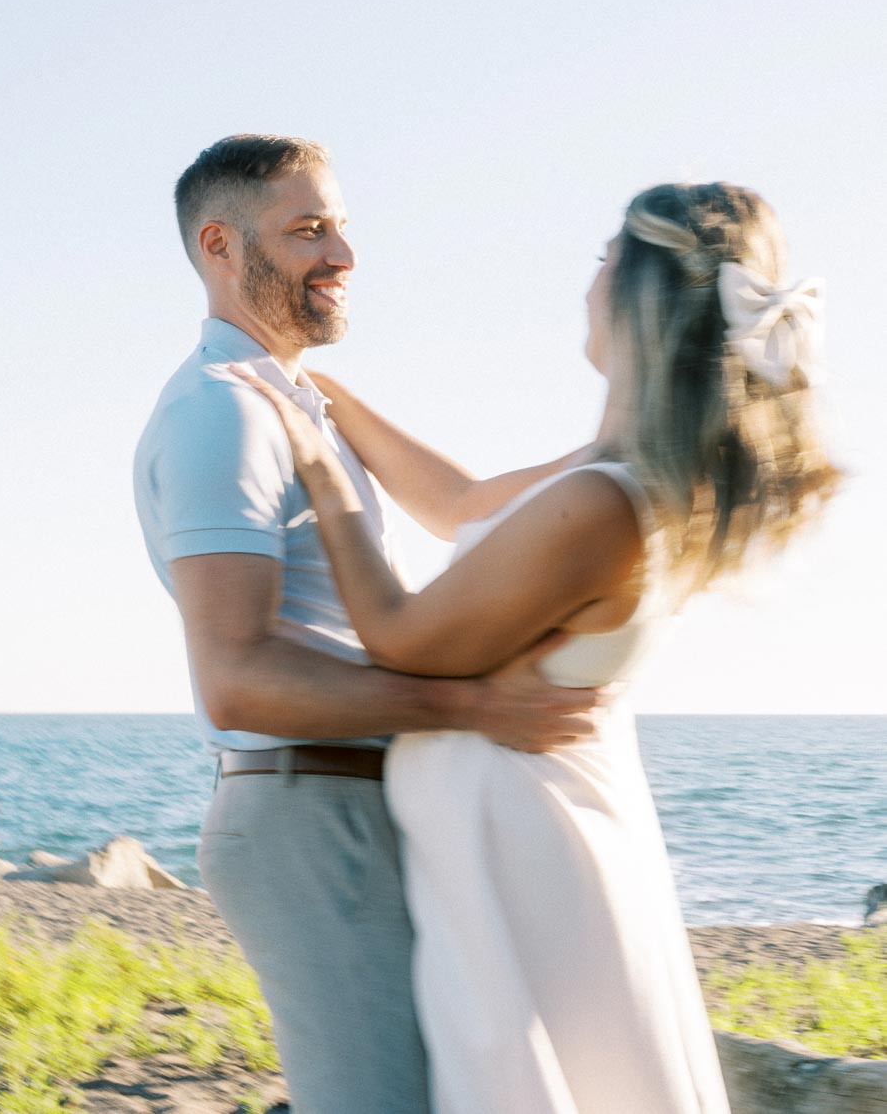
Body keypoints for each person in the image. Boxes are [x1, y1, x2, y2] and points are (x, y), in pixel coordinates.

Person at [233, 181, 841, 1114]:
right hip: (520, 838)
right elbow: (462, 505)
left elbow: (402, 640)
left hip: (523, 857)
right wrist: (321, 396)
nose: (588, 281)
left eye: (605, 260)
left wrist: (322, 476)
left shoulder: (604, 506)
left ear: (639, 297)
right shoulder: (615, 477)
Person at [133, 133, 603, 1114]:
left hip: (364, 800)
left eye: (342, 227)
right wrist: (473, 706)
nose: (343, 256)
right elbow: (238, 678)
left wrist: (648, 433)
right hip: (309, 813)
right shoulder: (222, 412)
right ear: (220, 246)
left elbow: (469, 504)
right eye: (309, 231)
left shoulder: (302, 402)